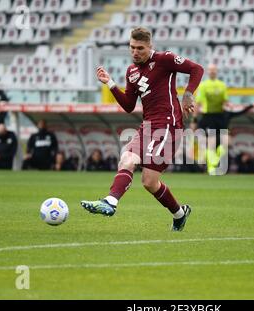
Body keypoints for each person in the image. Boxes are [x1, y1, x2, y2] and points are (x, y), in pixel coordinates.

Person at [80, 27, 204, 231]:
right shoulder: (132, 72)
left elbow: (197, 69)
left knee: (149, 181)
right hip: (147, 126)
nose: (135, 52)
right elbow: (129, 105)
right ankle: (110, 202)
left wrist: (188, 93)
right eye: (132, 47)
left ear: (150, 47)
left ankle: (179, 215)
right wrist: (111, 84)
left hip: (168, 125)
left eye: (140, 48)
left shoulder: (165, 60)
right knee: (127, 160)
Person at [194, 64, 252, 174]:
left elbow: (225, 101)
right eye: (210, 70)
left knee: (227, 142)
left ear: (216, 71)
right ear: (208, 72)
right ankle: (211, 168)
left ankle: (217, 156)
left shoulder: (222, 85)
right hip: (208, 116)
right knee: (210, 143)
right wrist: (194, 119)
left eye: (214, 70)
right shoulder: (203, 85)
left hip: (219, 116)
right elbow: (198, 104)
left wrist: (230, 105)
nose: (212, 72)